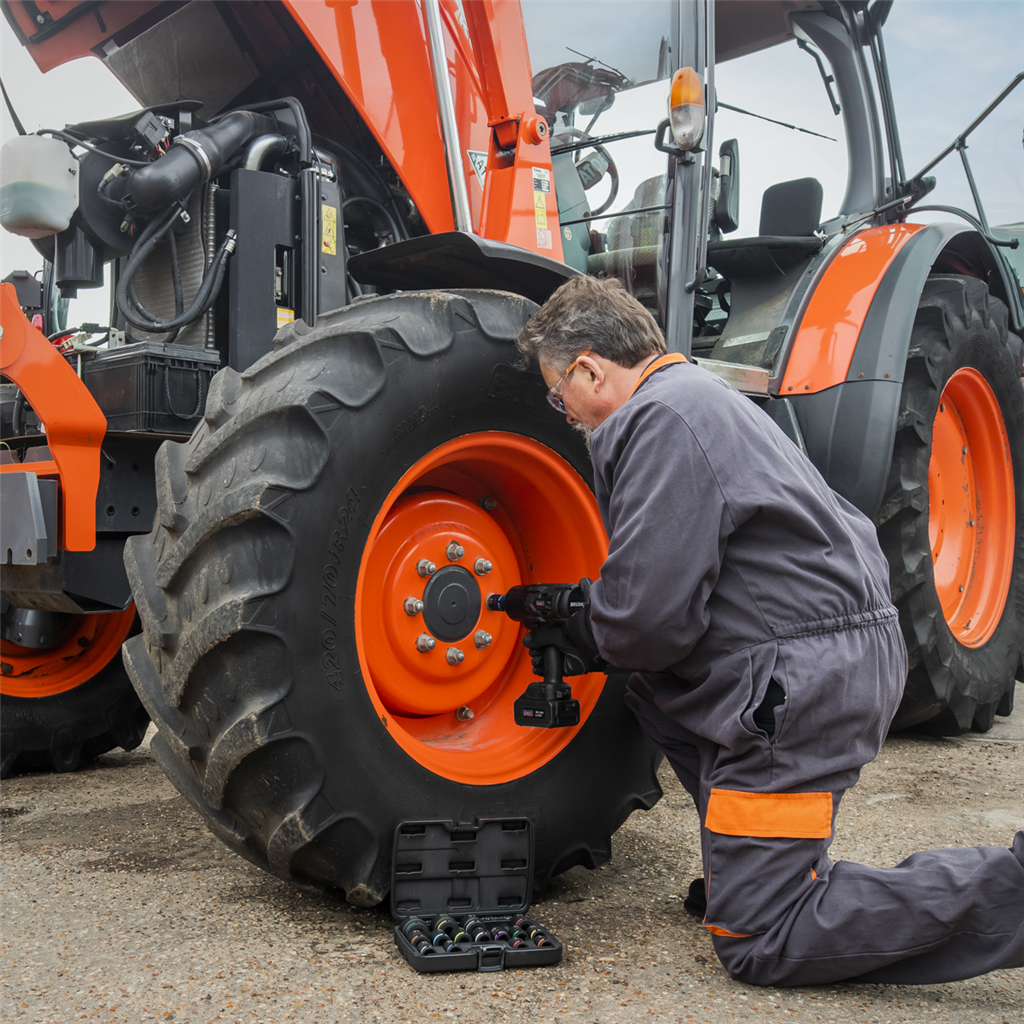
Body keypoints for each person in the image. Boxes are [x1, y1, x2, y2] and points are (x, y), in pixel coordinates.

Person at [516, 274, 1024, 987]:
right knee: (656, 696)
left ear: (589, 367)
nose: (561, 410)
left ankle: (1010, 894)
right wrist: (594, 613)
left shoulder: (661, 419)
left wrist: (579, 620)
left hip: (803, 676)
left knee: (761, 938)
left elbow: (649, 624)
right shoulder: (699, 399)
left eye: (555, 393)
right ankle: (750, 859)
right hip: (820, 651)